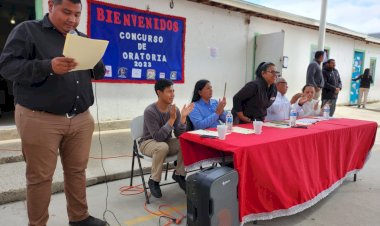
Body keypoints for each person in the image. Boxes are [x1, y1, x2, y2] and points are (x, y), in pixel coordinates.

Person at [0, 1, 107, 226]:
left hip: (80, 119)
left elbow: (98, 73)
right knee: (40, 178)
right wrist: (48, 67)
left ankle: (79, 218)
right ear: (51, 5)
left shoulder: (82, 38)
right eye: (66, 12)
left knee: (77, 171)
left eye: (77, 15)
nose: (72, 20)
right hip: (40, 119)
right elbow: (7, 66)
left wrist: (95, 59)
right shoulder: (28, 31)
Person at [140, 78, 194, 198]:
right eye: (169, 91)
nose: (173, 94)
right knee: (162, 146)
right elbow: (158, 137)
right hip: (148, 143)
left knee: (185, 142)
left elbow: (180, 135)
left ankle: (179, 174)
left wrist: (183, 118)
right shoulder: (150, 111)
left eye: (173, 91)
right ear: (159, 92)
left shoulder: (174, 110)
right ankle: (154, 180)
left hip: (165, 142)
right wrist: (171, 119)